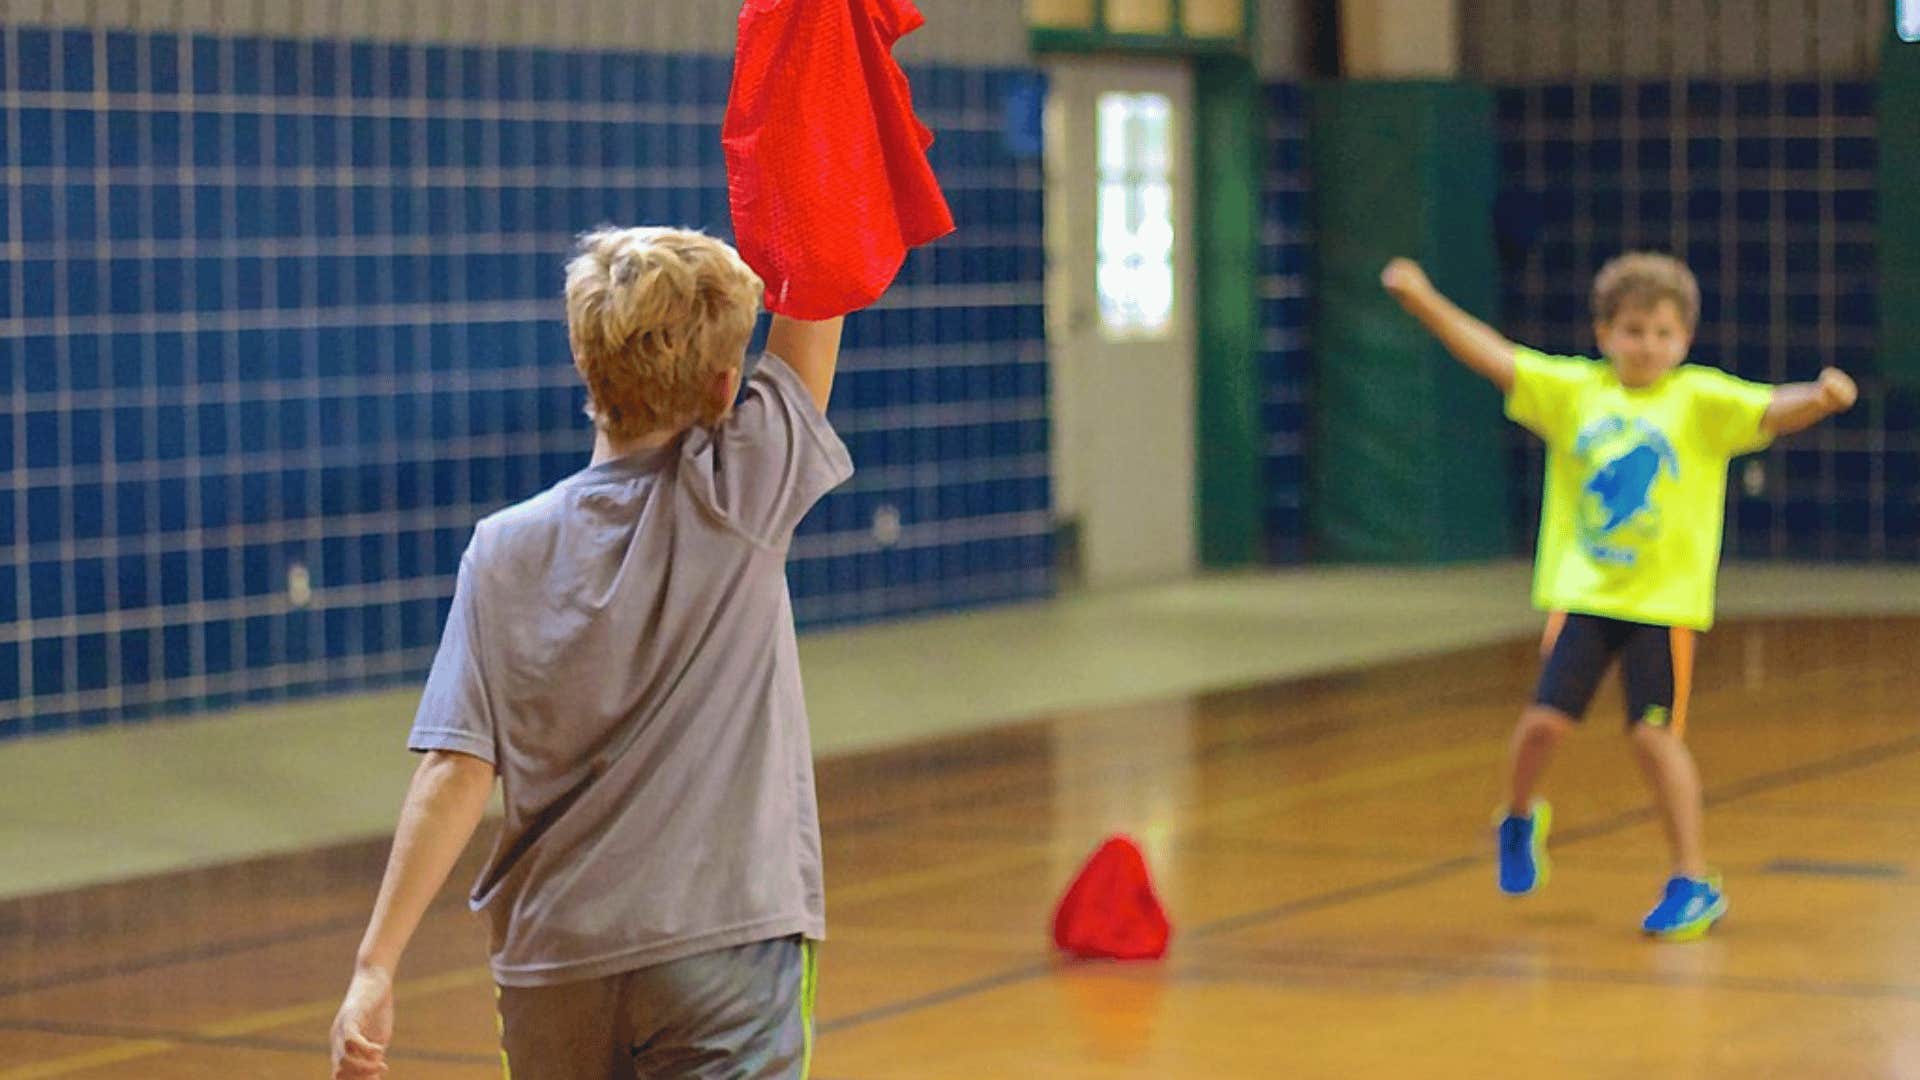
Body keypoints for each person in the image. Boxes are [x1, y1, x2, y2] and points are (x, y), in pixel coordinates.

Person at [330, 226, 852, 1079]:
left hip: (553, 968)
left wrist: (374, 966)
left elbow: (453, 773)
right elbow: (819, 288)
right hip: (721, 948)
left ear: (586, 364)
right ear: (728, 389)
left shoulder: (500, 552)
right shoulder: (740, 492)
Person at [1381, 251, 1857, 939]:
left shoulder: (1698, 400)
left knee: (1653, 736)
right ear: (1604, 334)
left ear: (1684, 341)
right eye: (1633, 330)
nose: (1648, 346)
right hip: (1584, 593)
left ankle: (1692, 881)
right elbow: (1494, 357)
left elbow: (1771, 408)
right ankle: (1518, 817)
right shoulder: (1574, 391)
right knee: (1545, 723)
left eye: (1663, 333)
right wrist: (1422, 299)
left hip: (1661, 607)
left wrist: (1819, 398)